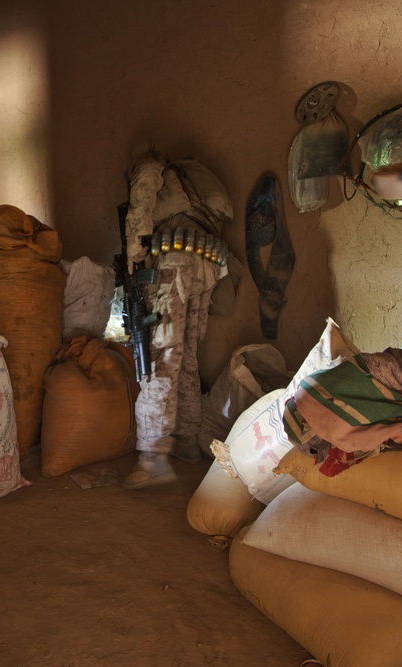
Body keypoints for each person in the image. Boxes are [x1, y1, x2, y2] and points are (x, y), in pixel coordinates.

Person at [118, 152, 234, 489]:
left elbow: (141, 202)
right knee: (186, 355)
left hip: (175, 263)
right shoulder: (194, 191)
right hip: (207, 265)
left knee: (161, 358)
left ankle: (153, 457)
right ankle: (185, 440)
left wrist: (134, 257)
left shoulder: (149, 167)